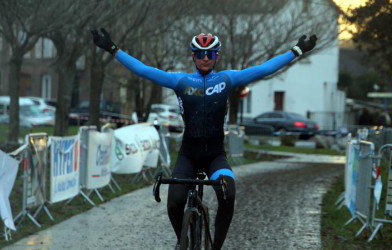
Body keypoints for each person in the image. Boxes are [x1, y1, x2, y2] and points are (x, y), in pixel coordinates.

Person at [91, 29, 317, 249]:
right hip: (188, 155)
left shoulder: (228, 79)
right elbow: (142, 69)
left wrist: (296, 50)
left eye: (210, 54)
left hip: (215, 156)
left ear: (216, 56)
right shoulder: (180, 81)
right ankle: (183, 241)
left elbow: (264, 68)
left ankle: (216, 247)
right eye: (200, 54)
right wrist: (113, 49)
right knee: (174, 202)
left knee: (228, 195)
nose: (205, 58)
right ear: (193, 56)